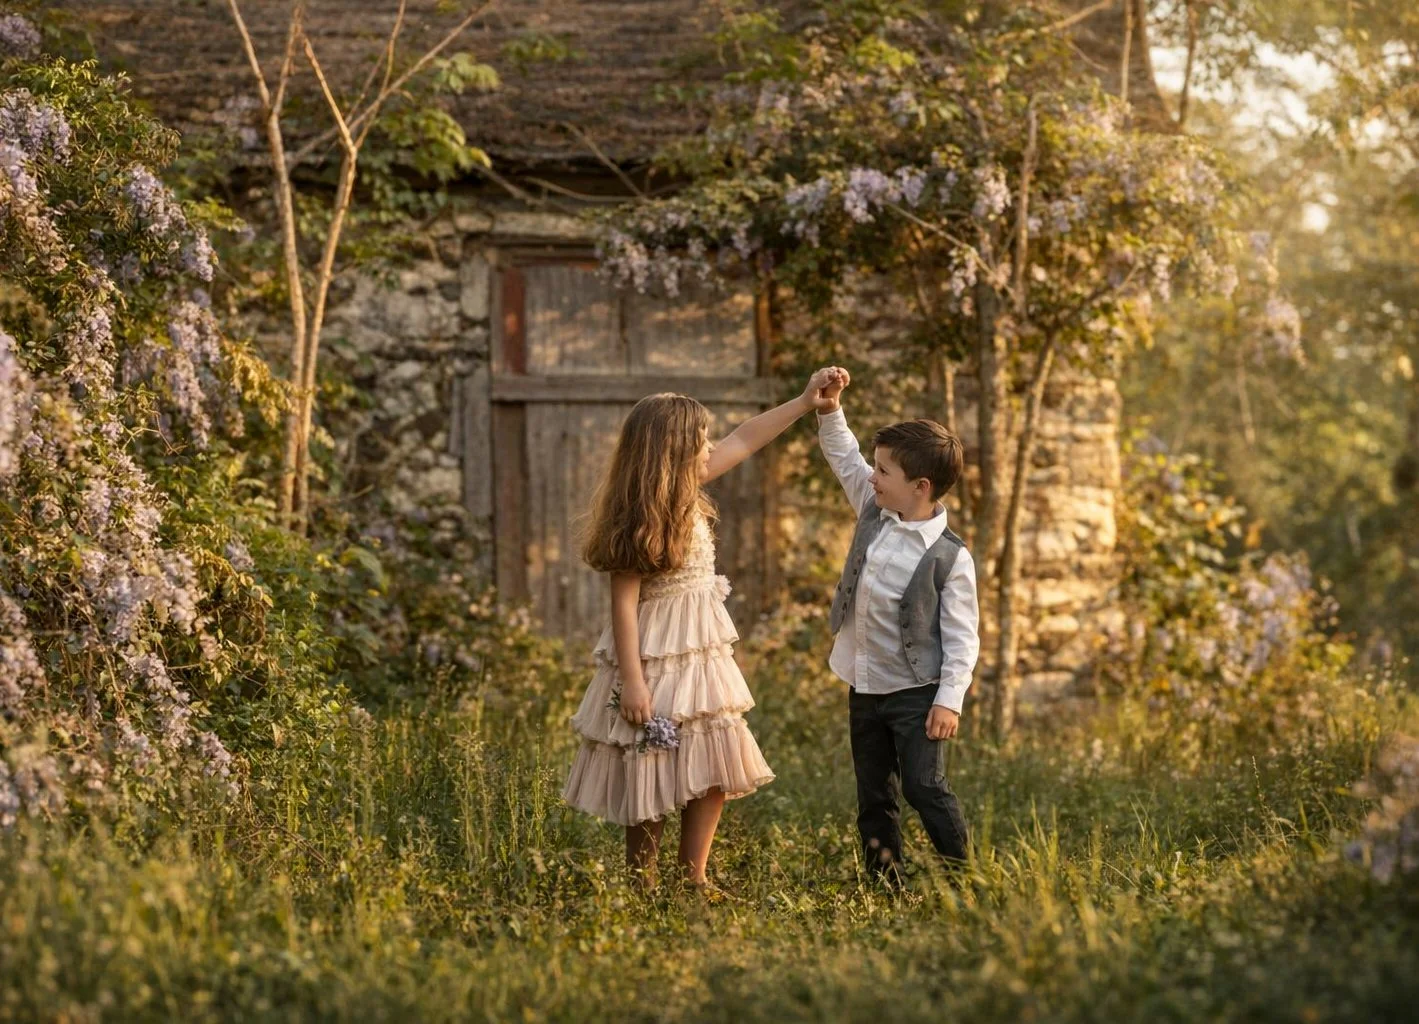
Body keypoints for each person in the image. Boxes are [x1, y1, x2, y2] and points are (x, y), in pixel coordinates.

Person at [563, 369, 844, 891]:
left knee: (713, 764)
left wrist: (805, 402)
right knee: (651, 764)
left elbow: (747, 436)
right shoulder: (639, 515)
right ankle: (641, 881)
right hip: (653, 656)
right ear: (670, 450)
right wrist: (633, 682)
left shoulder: (690, 486)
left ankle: (694, 877)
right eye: (700, 439)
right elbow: (623, 607)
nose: (710, 445)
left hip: (702, 655)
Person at [815, 366, 979, 882]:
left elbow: (961, 636)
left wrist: (949, 698)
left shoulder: (951, 558)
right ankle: (883, 884)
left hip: (917, 692)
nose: (872, 477)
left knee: (924, 788)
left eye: (884, 471)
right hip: (865, 687)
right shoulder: (873, 510)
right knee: (875, 795)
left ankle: (966, 880)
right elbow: (846, 461)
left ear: (921, 486)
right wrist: (830, 411)